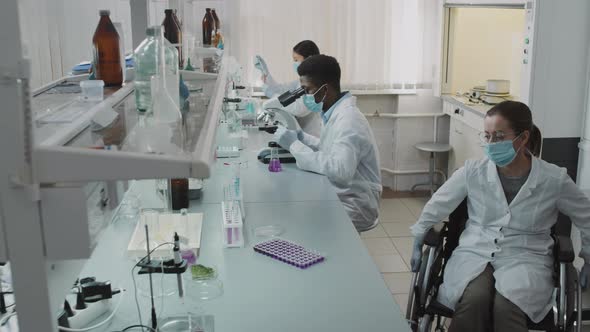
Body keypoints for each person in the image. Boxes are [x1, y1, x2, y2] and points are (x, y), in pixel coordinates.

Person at [409, 101, 590, 332]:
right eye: (487, 136)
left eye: (499, 136)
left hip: (527, 257)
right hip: (476, 250)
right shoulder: (473, 171)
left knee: (509, 307)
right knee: (474, 300)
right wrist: (418, 236)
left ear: (523, 138)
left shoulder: (553, 179)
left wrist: (588, 258)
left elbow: (586, 216)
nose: (491, 144)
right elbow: (438, 203)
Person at [272, 54, 382, 232]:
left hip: (356, 204)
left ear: (325, 89)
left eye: (307, 90)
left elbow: (340, 171)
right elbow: (330, 148)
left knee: (299, 222)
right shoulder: (333, 112)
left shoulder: (349, 120)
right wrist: (302, 137)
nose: (304, 96)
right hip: (343, 193)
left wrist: (294, 145)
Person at [254, 40, 321, 136]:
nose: (294, 63)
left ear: (308, 59)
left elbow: (299, 109)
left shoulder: (315, 82)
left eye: (296, 60)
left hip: (311, 135)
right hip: (303, 133)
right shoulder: (303, 79)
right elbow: (283, 89)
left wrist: (274, 97)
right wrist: (266, 74)